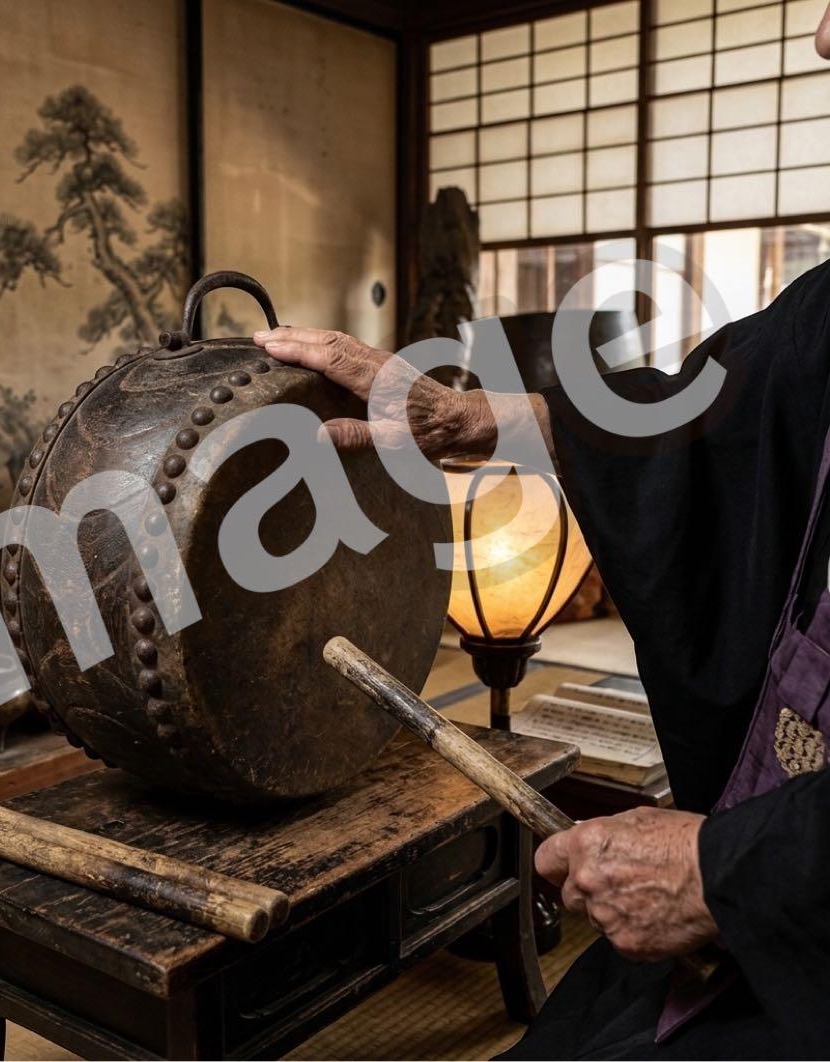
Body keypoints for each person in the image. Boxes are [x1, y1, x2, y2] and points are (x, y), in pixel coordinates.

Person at [250, 16, 830, 1054]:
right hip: (758, 888)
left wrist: (724, 870)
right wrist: (469, 419)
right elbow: (712, 416)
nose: (825, 36)